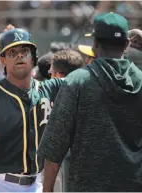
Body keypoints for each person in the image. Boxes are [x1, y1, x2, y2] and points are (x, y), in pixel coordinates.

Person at [0, 27, 83, 192]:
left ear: (34, 57)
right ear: (3, 60)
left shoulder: (49, 89)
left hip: (34, 184)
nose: (20, 55)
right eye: (12, 52)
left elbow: (83, 82)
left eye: (25, 51)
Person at [37, 12, 142, 192]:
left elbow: (54, 148)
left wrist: (47, 190)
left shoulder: (77, 81)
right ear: (126, 45)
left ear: (94, 45)